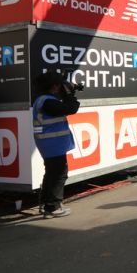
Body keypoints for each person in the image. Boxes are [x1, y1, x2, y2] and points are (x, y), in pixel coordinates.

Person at [32, 71, 80, 218]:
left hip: (49, 143)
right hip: (52, 144)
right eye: (60, 85)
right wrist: (69, 94)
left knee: (51, 173)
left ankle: (48, 204)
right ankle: (53, 207)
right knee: (59, 174)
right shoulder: (48, 101)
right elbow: (71, 108)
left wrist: (67, 93)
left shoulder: (43, 99)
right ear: (54, 86)